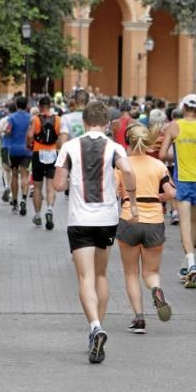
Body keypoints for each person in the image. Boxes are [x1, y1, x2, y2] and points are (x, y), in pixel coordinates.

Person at [53, 101, 138, 364]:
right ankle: (99, 326)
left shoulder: (69, 147)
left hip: (79, 219)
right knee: (101, 274)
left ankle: (94, 327)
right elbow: (128, 170)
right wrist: (132, 201)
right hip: (107, 219)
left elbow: (57, 185)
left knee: (85, 277)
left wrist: (68, 180)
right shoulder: (114, 147)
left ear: (85, 121)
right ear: (106, 123)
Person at [116, 123, 176, 334]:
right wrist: (156, 198)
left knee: (131, 273)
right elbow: (171, 193)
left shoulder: (122, 166)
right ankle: (156, 289)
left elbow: (116, 190)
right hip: (154, 220)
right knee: (150, 271)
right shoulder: (158, 165)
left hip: (129, 218)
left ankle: (139, 319)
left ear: (128, 142)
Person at [159, 94, 196, 288]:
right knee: (193, 222)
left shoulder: (174, 126)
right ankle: (186, 267)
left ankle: (192, 264)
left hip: (182, 179)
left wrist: (177, 155)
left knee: (185, 224)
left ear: (183, 107)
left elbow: (162, 154)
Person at [27, 95, 60, 230]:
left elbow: (30, 135)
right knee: (50, 186)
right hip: (52, 153)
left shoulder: (35, 119)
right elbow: (59, 136)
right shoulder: (57, 119)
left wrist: (29, 145)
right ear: (50, 106)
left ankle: (38, 215)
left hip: (38, 153)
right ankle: (50, 209)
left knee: (37, 187)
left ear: (40, 107)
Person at [6, 97, 32, 215]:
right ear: (27, 105)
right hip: (26, 150)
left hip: (14, 150)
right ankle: (24, 199)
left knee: (14, 175)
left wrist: (8, 134)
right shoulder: (30, 117)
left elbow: (8, 131)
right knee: (25, 175)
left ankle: (15, 202)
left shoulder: (11, 117)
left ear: (16, 105)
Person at [0, 102, 16, 203]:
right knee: (14, 170)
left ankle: (7, 187)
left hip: (5, 146)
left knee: (5, 169)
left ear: (8, 110)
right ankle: (13, 193)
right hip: (15, 147)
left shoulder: (3, 120)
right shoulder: (17, 119)